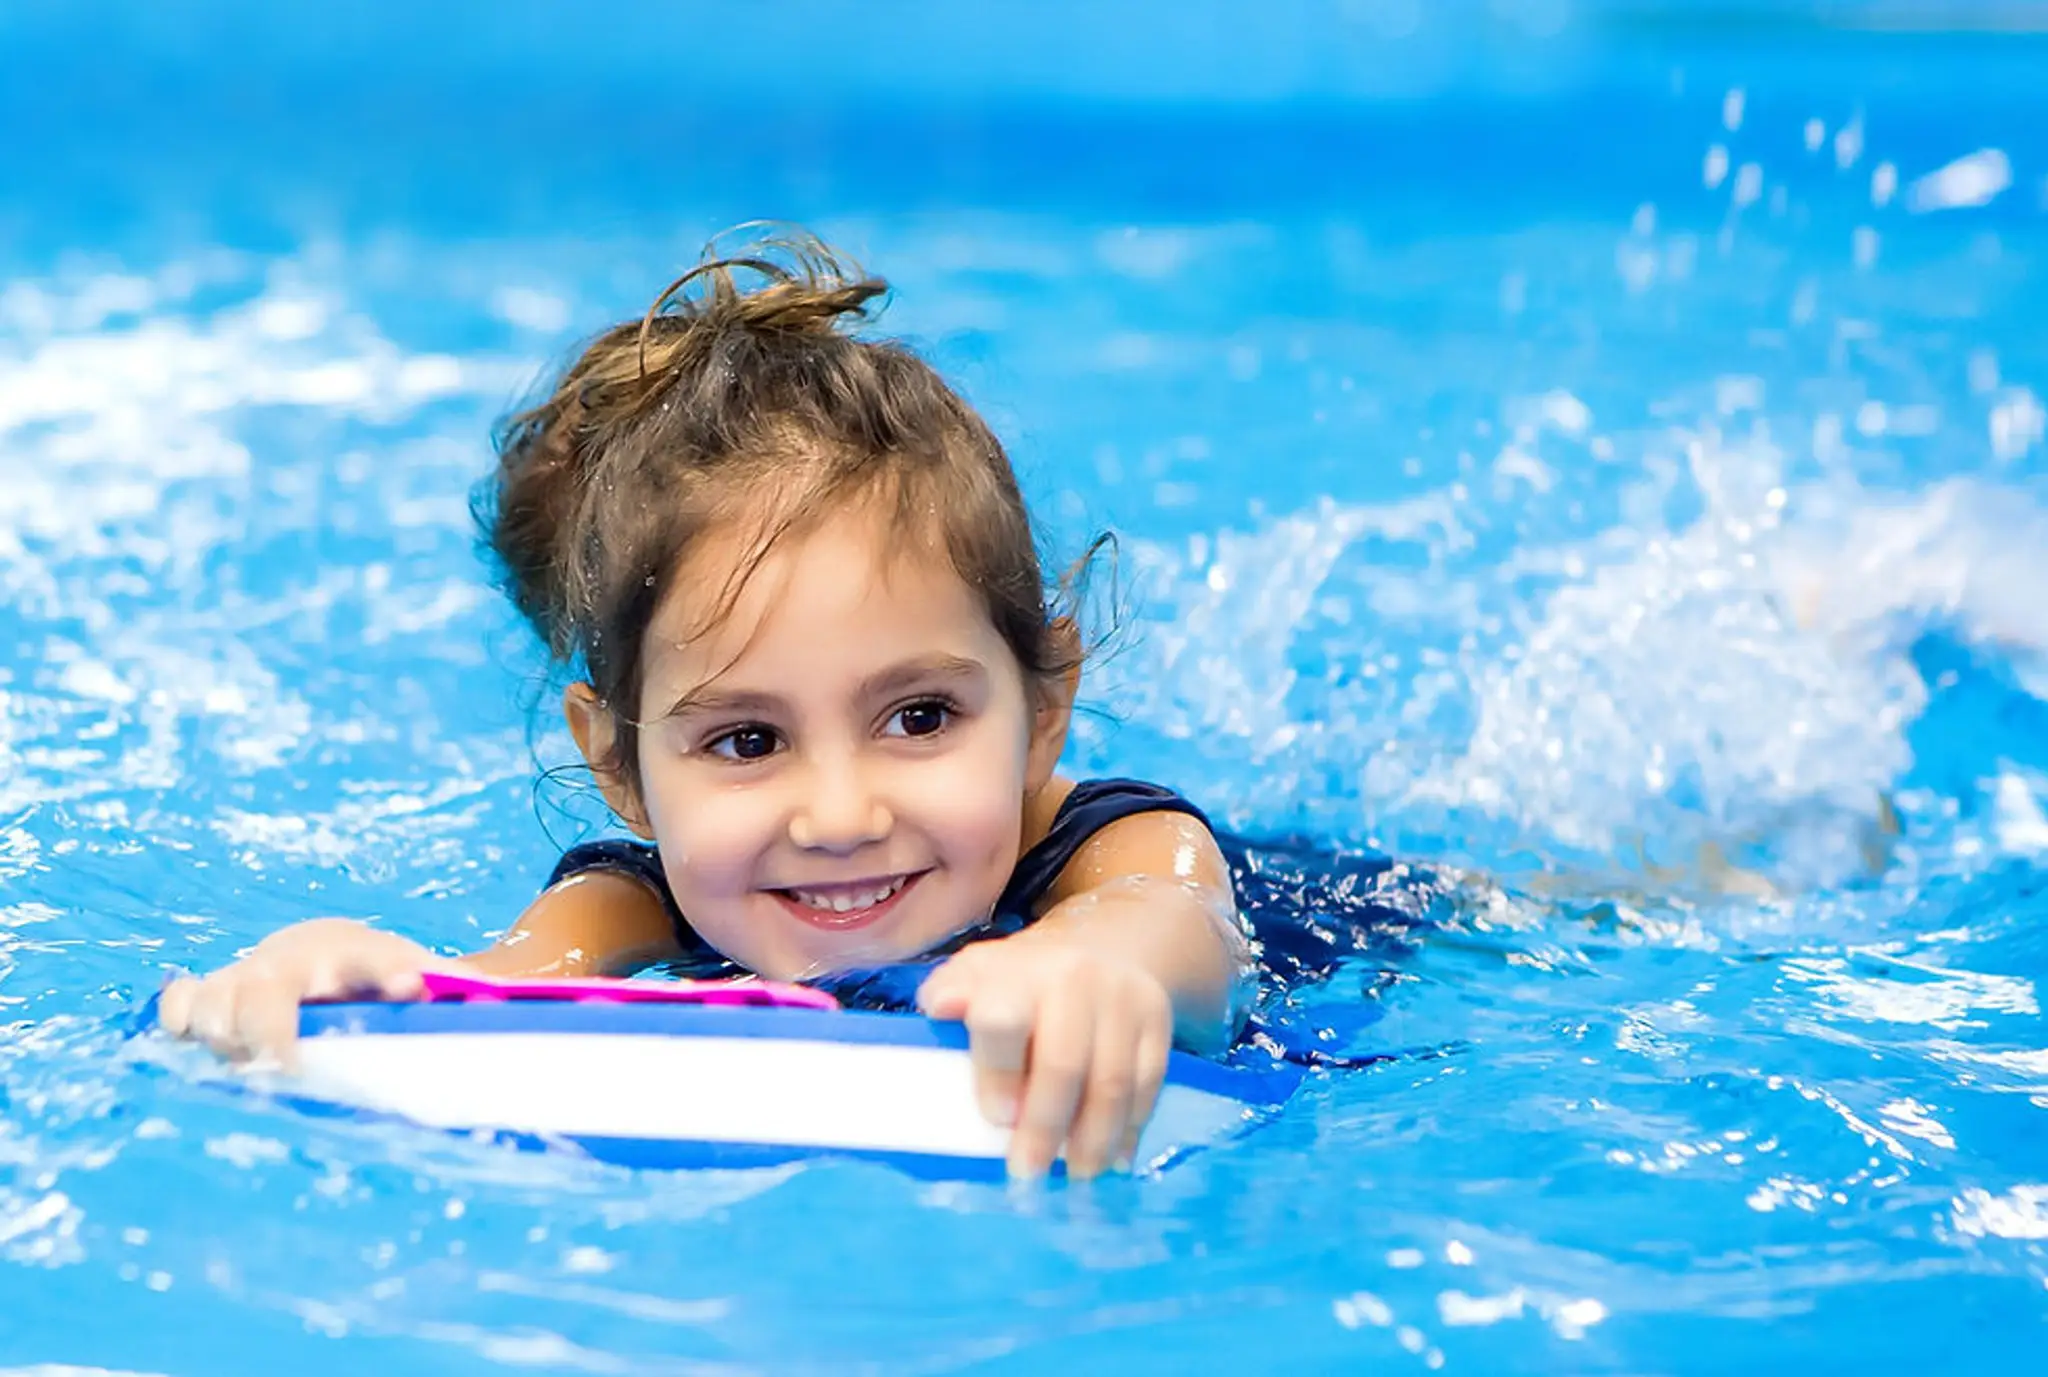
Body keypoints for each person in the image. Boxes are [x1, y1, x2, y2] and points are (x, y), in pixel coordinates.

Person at [158, 232, 1255, 1181]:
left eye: (919, 718)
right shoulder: (643, 900)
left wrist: (1091, 967)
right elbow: (499, 986)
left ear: (1043, 710)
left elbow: (1180, 929)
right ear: (621, 765)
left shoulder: (1118, 848)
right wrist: (341, 979)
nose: (838, 816)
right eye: (746, 739)